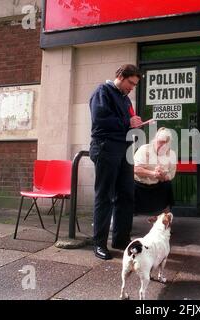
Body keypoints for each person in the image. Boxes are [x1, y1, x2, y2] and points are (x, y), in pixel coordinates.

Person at [89, 64, 143, 260]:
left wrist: (135, 125)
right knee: (105, 196)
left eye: (135, 85)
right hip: (106, 148)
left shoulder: (125, 98)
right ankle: (99, 243)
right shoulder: (102, 92)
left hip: (124, 149)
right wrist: (128, 122)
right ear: (120, 76)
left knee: (126, 194)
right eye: (130, 83)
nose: (132, 88)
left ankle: (121, 239)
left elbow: (125, 123)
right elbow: (99, 120)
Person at [133, 127, 177, 214]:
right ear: (155, 140)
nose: (161, 145)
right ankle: (125, 221)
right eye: (159, 142)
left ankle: (165, 221)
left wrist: (163, 176)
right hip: (139, 185)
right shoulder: (144, 149)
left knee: (167, 185)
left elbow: (171, 174)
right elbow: (135, 169)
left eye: (164, 143)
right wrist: (153, 173)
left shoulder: (171, 154)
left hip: (158, 184)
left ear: (169, 143)